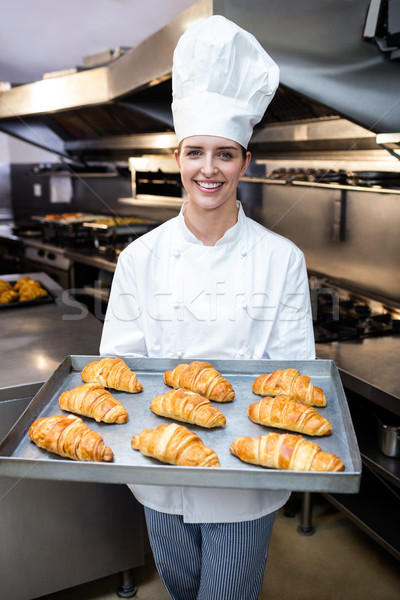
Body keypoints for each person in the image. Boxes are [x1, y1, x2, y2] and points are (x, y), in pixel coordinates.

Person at [100, 15, 315, 600]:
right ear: (178, 158)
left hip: (247, 474)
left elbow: (294, 374)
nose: (209, 169)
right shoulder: (140, 259)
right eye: (196, 152)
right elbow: (119, 368)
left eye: (225, 154)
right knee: (178, 587)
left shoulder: (282, 260)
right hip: (161, 470)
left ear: (245, 162)